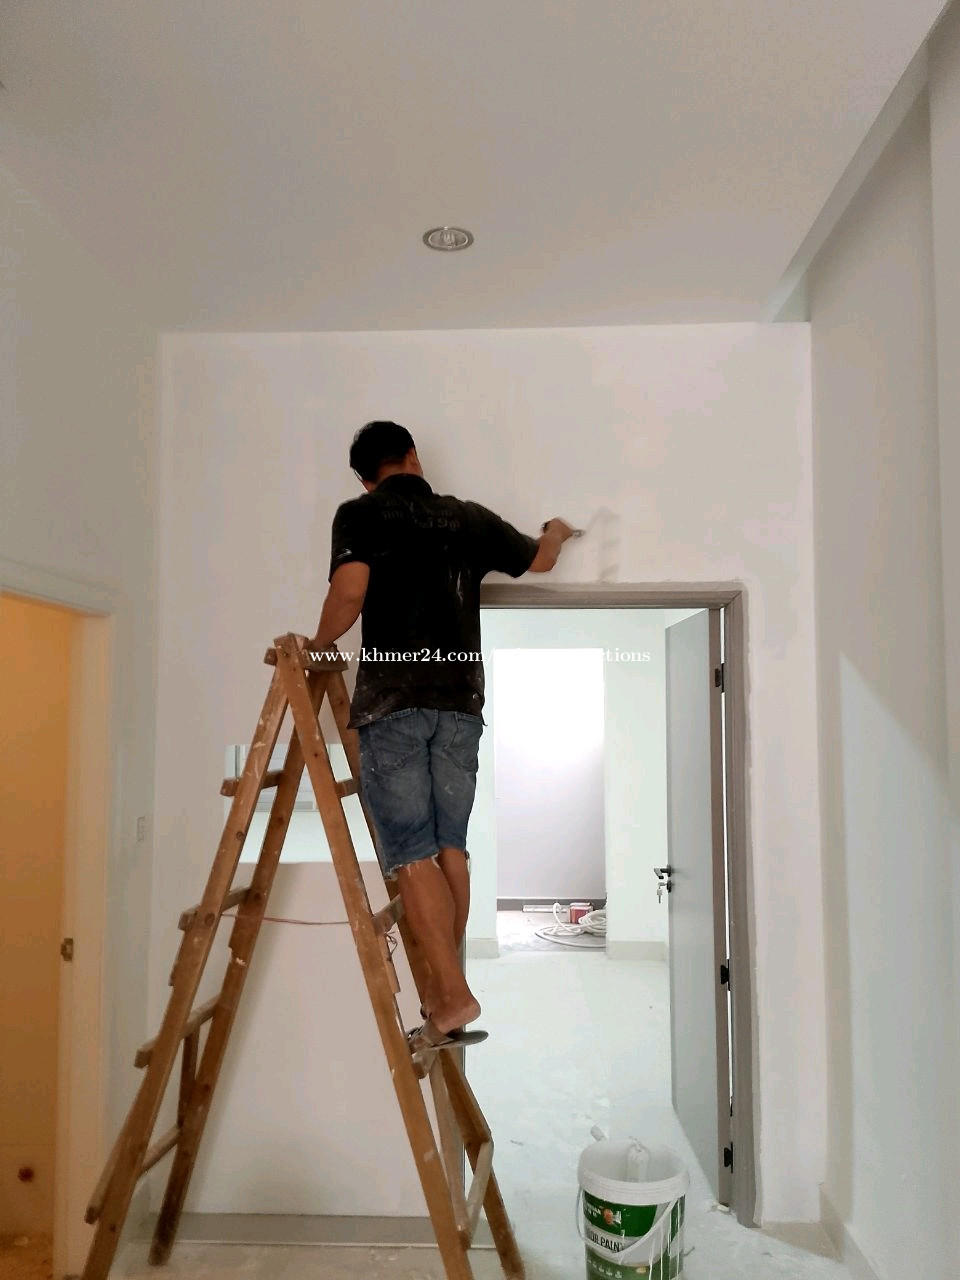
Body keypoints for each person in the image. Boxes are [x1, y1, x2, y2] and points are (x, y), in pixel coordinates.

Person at [308, 421, 576, 1046]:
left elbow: (350, 591)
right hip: (459, 705)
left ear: (365, 478)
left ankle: (451, 996)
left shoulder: (360, 514)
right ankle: (443, 991)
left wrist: (318, 644)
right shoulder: (468, 518)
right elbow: (539, 559)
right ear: (414, 457)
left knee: (411, 851)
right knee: (450, 846)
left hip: (395, 702)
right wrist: (558, 530)